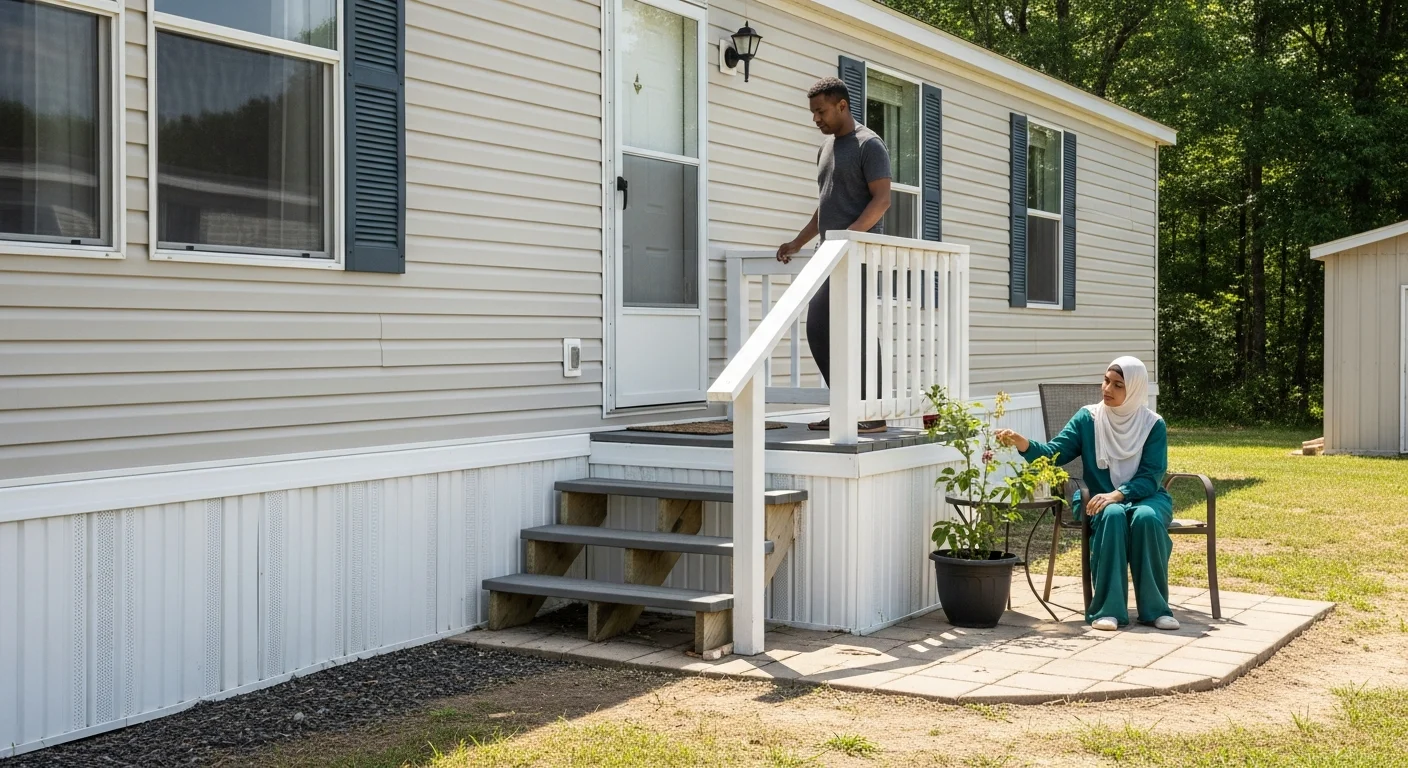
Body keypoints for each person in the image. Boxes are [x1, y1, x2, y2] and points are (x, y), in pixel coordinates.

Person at [994, 357, 1180, 632]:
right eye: (1106, 381)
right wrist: (1023, 444)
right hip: (1097, 497)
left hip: (1146, 496)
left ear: (1134, 390)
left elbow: (1151, 474)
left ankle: (1156, 610)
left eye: (1118, 385)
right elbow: (1053, 453)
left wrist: (1119, 494)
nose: (1107, 389)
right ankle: (1108, 610)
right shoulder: (1088, 418)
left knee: (1146, 518)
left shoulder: (1152, 425)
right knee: (1112, 515)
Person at [776, 77, 891, 434]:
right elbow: (826, 205)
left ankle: (872, 413)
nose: (816, 119)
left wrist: (847, 237)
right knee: (819, 329)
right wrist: (798, 242)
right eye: (813, 113)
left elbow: (882, 200)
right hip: (828, 253)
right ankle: (845, 407)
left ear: (842, 105)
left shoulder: (869, 145)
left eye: (821, 111)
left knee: (857, 331)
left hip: (856, 253)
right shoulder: (825, 149)